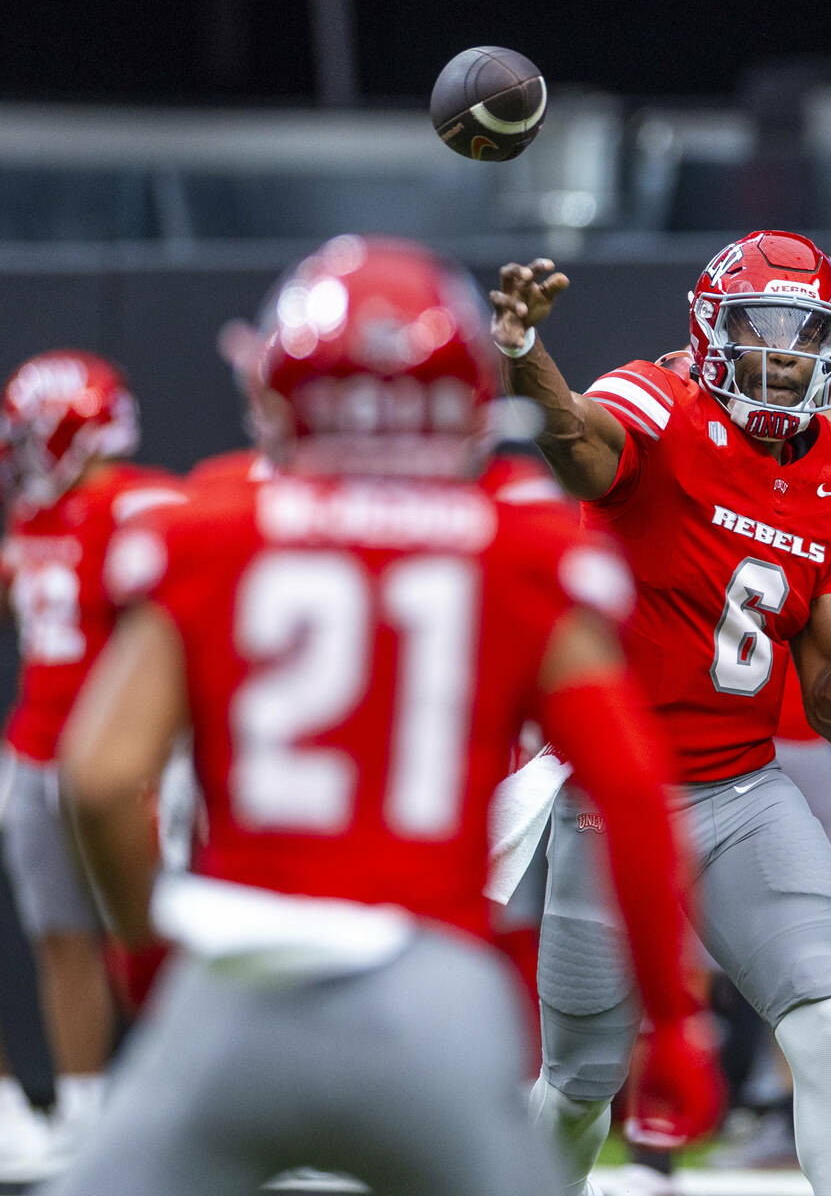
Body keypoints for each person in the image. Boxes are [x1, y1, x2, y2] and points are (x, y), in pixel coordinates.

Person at [39, 235, 721, 1196]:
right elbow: (632, 791)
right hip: (431, 998)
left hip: (237, 987)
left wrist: (149, 949)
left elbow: (102, 778)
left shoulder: (208, 528)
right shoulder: (515, 547)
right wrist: (676, 1018)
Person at [489, 230, 831, 1196]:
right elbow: (575, 447)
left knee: (823, 1021)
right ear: (709, 326)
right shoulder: (654, 401)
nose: (786, 357)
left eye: (807, 336)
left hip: (742, 788)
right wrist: (526, 358)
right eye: (764, 332)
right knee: (578, 1086)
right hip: (614, 794)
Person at [0, 351, 184, 1165]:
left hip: (119, 760)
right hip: (35, 751)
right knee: (62, 938)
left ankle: (185, 1109)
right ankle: (81, 1112)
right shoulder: (38, 516)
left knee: (148, 938)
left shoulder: (137, 503)